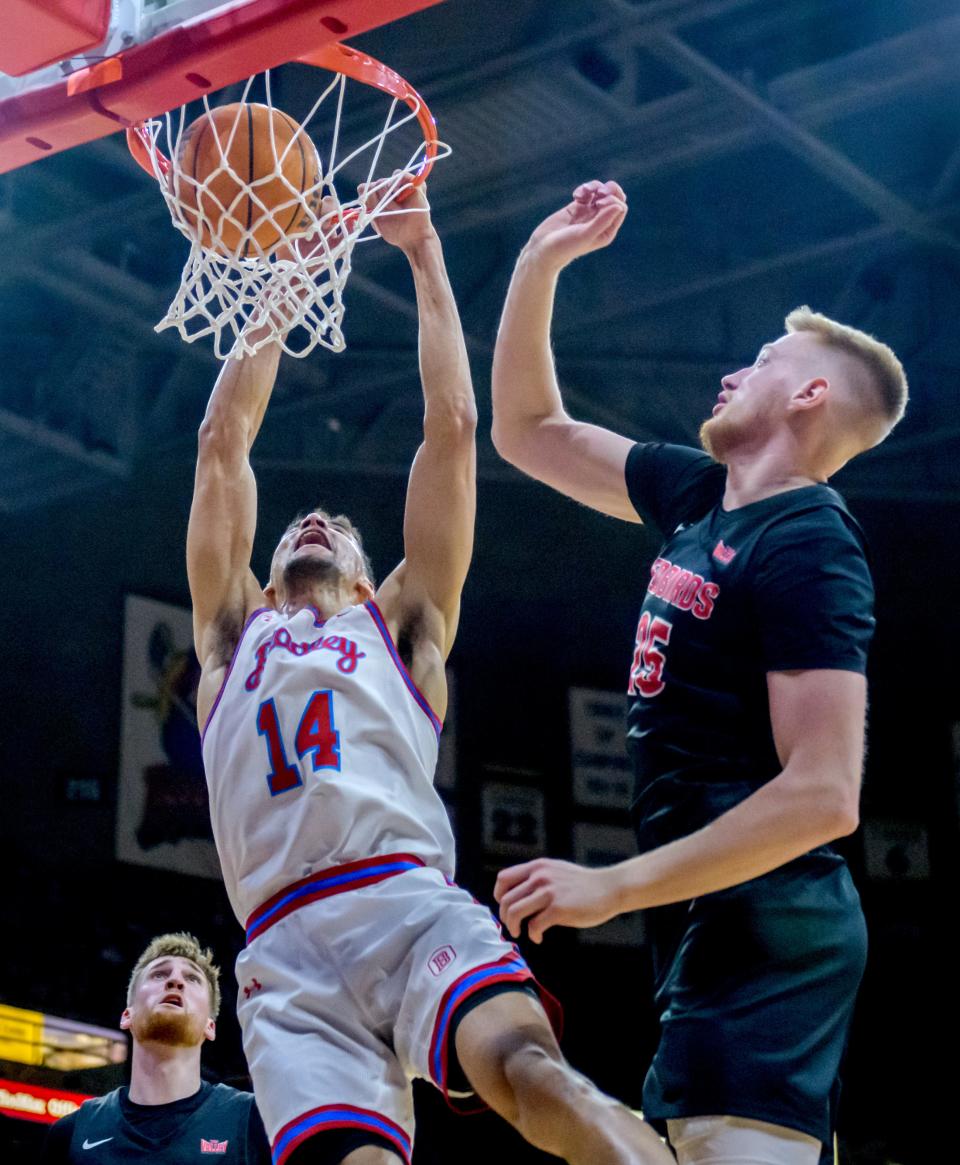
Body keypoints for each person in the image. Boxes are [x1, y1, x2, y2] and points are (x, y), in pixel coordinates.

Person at [189, 179, 674, 1165]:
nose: (312, 521)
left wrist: (422, 253)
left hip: (406, 903)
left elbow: (453, 425)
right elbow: (221, 445)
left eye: (336, 527)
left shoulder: (404, 625)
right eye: (295, 525)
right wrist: (285, 279)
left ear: (374, 572)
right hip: (283, 953)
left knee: (528, 1073)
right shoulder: (229, 635)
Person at [490, 179, 909, 1165]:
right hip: (709, 923)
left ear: (809, 395)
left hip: (774, 929)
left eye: (763, 360)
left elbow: (824, 795)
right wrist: (537, 264)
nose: (732, 369)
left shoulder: (812, 540)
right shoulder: (700, 496)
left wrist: (613, 887)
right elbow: (528, 432)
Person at [41, 932, 271, 1164]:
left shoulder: (254, 1121)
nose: (175, 981)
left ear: (209, 1026)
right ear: (127, 1016)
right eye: (159, 974)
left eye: (192, 979)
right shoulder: (70, 1134)